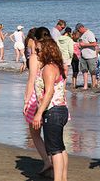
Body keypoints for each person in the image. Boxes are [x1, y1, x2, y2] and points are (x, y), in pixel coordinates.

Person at [32, 37, 69, 181]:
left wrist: (39, 113)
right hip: (61, 110)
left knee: (55, 150)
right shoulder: (56, 66)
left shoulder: (48, 68)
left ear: (47, 50)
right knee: (59, 147)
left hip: (53, 111)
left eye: (38, 50)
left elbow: (49, 92)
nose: (36, 53)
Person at [22, 27, 52, 175]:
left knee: (34, 133)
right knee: (51, 132)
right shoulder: (52, 53)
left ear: (34, 41)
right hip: (52, 95)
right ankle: (54, 161)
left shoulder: (35, 57)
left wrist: (26, 101)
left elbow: (31, 80)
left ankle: (47, 161)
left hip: (37, 96)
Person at [76, 23, 98, 89]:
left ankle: (93, 85)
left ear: (81, 28)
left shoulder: (90, 33)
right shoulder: (81, 34)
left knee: (92, 71)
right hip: (83, 55)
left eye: (78, 30)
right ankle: (85, 86)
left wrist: (84, 45)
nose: (78, 31)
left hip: (91, 56)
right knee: (84, 71)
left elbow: (94, 44)